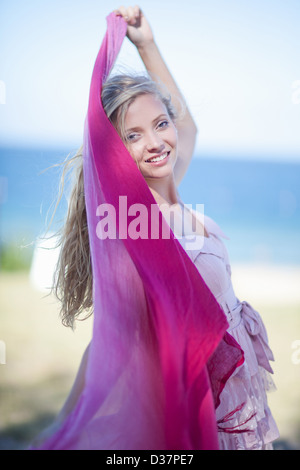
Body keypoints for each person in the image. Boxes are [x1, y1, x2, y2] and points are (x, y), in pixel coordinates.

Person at [30, 6, 279, 450]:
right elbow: (111, 342)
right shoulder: (138, 228)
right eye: (133, 135)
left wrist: (145, 44)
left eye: (159, 124)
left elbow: (187, 127)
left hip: (237, 397)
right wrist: (66, 421)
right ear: (114, 153)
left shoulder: (169, 187)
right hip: (202, 410)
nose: (155, 142)